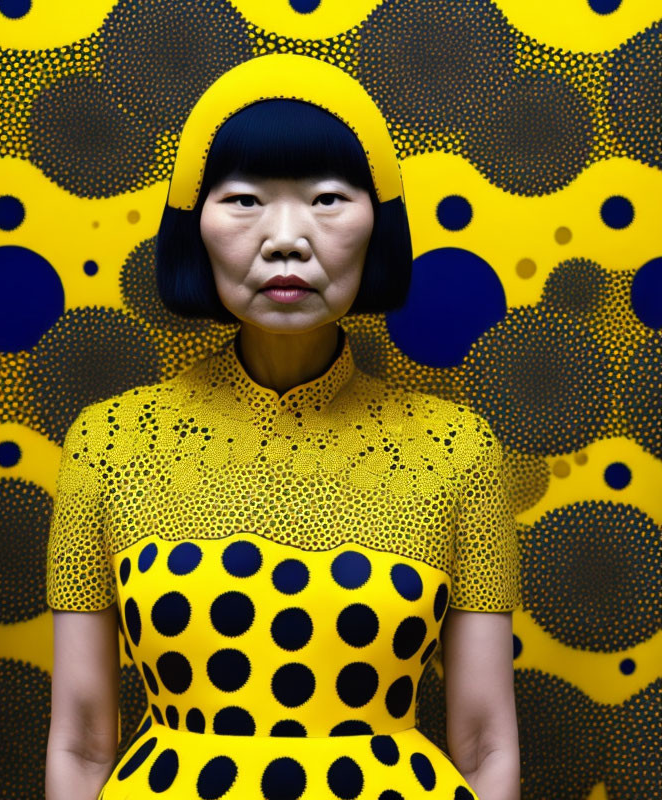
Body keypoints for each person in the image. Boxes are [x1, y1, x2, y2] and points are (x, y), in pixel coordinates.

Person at [45, 53, 521, 800]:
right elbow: (78, 747)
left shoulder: (458, 451)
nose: (287, 238)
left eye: (329, 198)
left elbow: (487, 746)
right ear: (192, 225)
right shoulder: (108, 444)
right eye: (243, 200)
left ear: (379, 225)